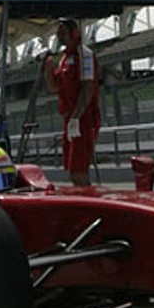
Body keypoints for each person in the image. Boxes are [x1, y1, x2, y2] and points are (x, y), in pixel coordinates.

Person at [43, 17, 101, 186]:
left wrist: (76, 117)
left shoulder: (85, 55)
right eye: (58, 34)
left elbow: (88, 88)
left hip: (83, 117)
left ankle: (90, 204)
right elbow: (53, 88)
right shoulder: (63, 59)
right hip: (69, 118)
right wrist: (48, 67)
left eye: (63, 32)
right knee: (72, 170)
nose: (60, 37)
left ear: (74, 33)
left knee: (78, 171)